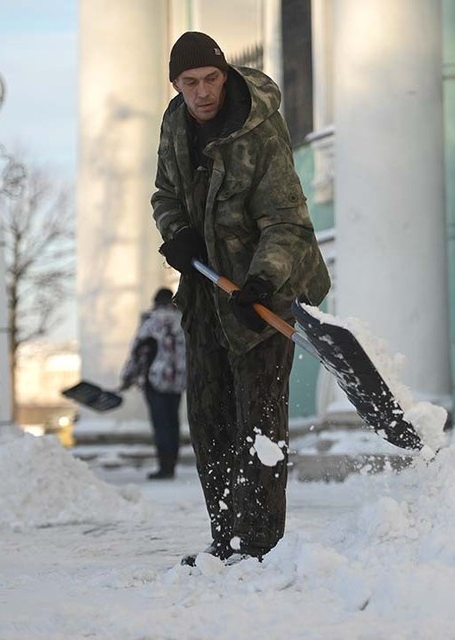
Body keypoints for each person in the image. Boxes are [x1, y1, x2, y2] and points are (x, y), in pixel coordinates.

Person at [151, 31, 331, 565]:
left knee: (259, 421)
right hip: (206, 291)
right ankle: (225, 537)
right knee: (209, 418)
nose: (203, 92)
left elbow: (285, 219)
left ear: (225, 75)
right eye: (190, 82)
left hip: (263, 292)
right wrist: (178, 233)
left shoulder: (257, 127)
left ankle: (258, 545)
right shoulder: (175, 124)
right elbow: (164, 194)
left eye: (212, 78)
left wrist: (262, 282)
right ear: (176, 85)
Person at [119, 287, 187, 480]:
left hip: (154, 380)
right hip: (177, 381)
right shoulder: (181, 321)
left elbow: (138, 352)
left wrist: (127, 377)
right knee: (173, 423)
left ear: (155, 302)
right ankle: (171, 464)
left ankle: (164, 467)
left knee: (161, 424)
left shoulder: (151, 322)